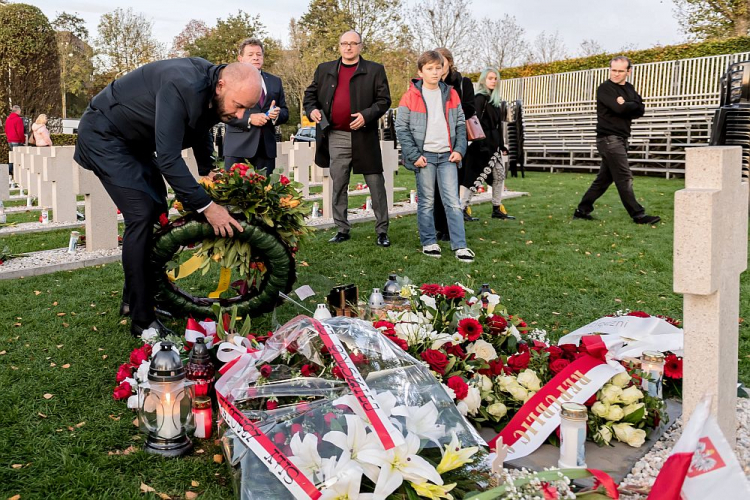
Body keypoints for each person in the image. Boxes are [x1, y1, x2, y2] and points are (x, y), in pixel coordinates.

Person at [74, 59, 261, 337]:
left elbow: (200, 125)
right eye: (239, 105)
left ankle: (134, 300)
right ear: (222, 85)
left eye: (247, 108)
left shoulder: (212, 87)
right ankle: (141, 320)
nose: (240, 114)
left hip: (135, 142)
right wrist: (208, 208)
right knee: (141, 214)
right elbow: (170, 159)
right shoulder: (181, 84)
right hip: (105, 136)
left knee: (157, 209)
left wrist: (206, 169)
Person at [303, 30, 392, 247]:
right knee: (339, 183)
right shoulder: (324, 69)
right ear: (339, 45)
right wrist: (312, 110)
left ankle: (382, 231)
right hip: (336, 135)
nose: (349, 47)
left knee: (375, 183)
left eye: (353, 43)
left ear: (361, 46)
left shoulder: (374, 70)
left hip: (364, 136)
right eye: (344, 43)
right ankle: (342, 228)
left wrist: (366, 115)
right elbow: (310, 96)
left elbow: (384, 100)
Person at [395, 50, 474, 263]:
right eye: (429, 68)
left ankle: (460, 246)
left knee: (453, 202)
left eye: (438, 68)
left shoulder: (452, 94)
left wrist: (459, 150)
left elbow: (459, 123)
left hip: (448, 155)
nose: (435, 72)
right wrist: (414, 155)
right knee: (427, 202)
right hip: (425, 157)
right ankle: (429, 242)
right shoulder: (410, 96)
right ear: (420, 71)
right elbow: (401, 128)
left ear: (443, 69)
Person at [573, 56, 660, 225]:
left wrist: (627, 104)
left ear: (629, 71)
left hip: (621, 138)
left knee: (604, 179)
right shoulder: (605, 88)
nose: (616, 74)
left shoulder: (629, 88)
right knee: (624, 177)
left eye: (620, 71)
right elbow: (618, 109)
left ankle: (582, 210)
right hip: (608, 139)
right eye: (613, 70)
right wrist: (630, 104)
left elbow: (640, 109)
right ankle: (638, 215)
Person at [223, 38, 289, 175]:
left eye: (259, 54)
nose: (255, 58)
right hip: (238, 147)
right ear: (240, 58)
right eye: (251, 54)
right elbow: (223, 112)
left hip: (266, 149)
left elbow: (285, 111)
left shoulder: (275, 81)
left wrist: (276, 115)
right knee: (236, 195)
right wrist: (249, 118)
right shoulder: (229, 81)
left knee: (265, 193)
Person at [432, 47, 478, 242]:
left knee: (451, 187)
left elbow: (469, 108)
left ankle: (451, 228)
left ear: (449, 62)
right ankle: (439, 227)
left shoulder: (462, 82)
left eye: (442, 62)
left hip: (455, 140)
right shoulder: (430, 83)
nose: (439, 67)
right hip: (434, 140)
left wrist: (449, 105)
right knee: (434, 187)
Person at [467, 68, 515, 220]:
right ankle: (463, 208)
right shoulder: (480, 98)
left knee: (499, 175)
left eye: (495, 78)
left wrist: (501, 145)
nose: (493, 81)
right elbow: (476, 122)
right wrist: (480, 144)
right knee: (476, 177)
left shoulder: (496, 101)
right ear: (483, 80)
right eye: (490, 78)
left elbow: (499, 125)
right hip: (483, 144)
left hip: (494, 144)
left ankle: (497, 207)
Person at [4, 105, 24, 176]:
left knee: (13, 157)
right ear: (18, 111)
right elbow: (20, 131)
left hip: (10, 140)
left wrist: (8, 138)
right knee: (17, 158)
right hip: (17, 140)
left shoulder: (8, 119)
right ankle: (8, 171)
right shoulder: (18, 119)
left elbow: (6, 130)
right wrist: (22, 140)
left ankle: (10, 172)